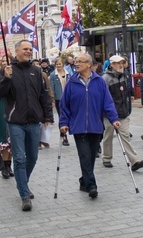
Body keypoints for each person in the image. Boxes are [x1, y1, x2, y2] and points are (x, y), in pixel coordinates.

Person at [0, 40, 54, 212]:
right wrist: (6, 78)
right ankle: (24, 195)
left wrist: (48, 116)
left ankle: (23, 183)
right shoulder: (7, 71)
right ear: (17, 51)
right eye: (25, 49)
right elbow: (0, 93)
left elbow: (43, 96)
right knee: (19, 158)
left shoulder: (37, 71)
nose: (29, 51)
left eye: (30, 49)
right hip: (15, 122)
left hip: (34, 121)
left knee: (33, 157)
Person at [59, 53, 120, 199]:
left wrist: (114, 119)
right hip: (78, 126)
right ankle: (91, 186)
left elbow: (108, 102)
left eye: (80, 62)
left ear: (89, 64)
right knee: (85, 156)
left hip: (96, 125)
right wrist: (63, 123)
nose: (77, 64)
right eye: (76, 62)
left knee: (91, 156)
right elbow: (64, 105)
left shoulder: (99, 82)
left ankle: (83, 180)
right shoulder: (71, 83)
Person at [101, 55, 143, 171]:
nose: (121, 65)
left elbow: (127, 88)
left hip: (123, 112)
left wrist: (131, 95)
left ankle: (134, 160)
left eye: (122, 62)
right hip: (110, 114)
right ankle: (106, 157)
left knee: (125, 136)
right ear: (112, 65)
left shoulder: (125, 75)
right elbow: (103, 97)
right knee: (108, 136)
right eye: (117, 63)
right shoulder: (106, 78)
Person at [48, 57, 70, 146]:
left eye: (60, 64)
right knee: (62, 117)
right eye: (57, 64)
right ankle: (64, 136)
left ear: (63, 64)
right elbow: (51, 88)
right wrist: (52, 99)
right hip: (59, 99)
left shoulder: (68, 73)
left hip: (68, 98)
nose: (58, 66)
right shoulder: (53, 75)